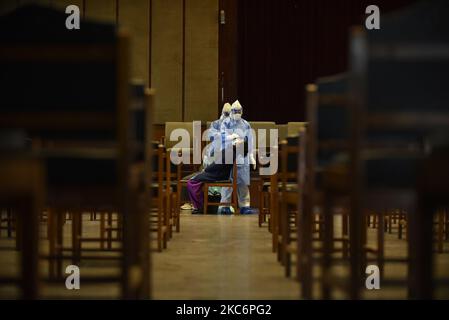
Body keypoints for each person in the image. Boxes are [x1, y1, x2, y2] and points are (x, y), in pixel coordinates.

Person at [219, 100, 257, 215]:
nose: (237, 114)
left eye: (239, 112)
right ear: (231, 111)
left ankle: (245, 206)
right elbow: (221, 136)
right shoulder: (225, 123)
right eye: (235, 112)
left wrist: (251, 156)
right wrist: (231, 137)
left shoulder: (246, 124)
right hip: (228, 154)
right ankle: (224, 205)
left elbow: (250, 141)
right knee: (227, 182)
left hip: (242, 156)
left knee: (243, 182)